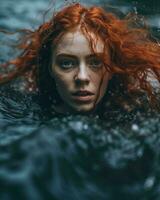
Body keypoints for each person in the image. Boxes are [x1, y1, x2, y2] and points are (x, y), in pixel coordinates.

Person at [0, 3, 160, 116]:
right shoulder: (20, 102)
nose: (82, 77)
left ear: (112, 68)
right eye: (66, 63)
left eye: (96, 62)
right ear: (50, 68)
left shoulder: (141, 103)